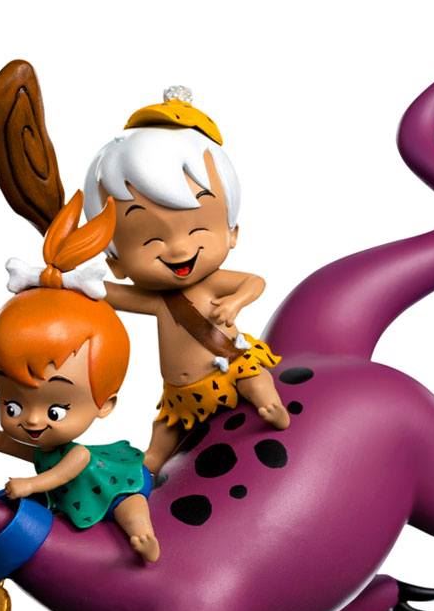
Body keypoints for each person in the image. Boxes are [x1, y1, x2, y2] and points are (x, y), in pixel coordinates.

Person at [84, 86, 289, 474]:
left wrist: (234, 303)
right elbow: (104, 294)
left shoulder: (212, 284)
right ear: (116, 261)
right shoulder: (155, 299)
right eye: (150, 240)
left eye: (198, 230)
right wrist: (64, 282)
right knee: (162, 433)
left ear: (232, 232)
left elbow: (254, 282)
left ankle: (270, 405)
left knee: (253, 377)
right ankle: (151, 466)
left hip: (226, 367)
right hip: (181, 393)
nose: (179, 249)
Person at [0, 192, 160, 563]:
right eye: (12, 405)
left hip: (112, 483)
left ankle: (143, 535)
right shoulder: (41, 449)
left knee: (128, 506)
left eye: (55, 411)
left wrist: (30, 484)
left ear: (105, 403)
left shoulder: (76, 454)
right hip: (73, 502)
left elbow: (59, 476)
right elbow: (6, 442)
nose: (32, 420)